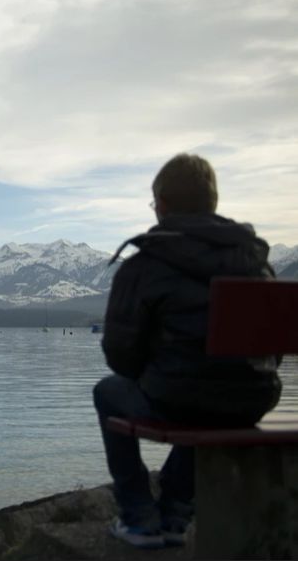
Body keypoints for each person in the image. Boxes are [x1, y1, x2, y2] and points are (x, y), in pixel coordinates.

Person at [93, 153, 281, 549]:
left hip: (178, 400)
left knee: (111, 391)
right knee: (207, 394)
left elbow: (120, 357)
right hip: (253, 401)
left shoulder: (144, 264)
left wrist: (154, 368)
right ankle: (176, 513)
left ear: (161, 204)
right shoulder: (255, 260)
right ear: (212, 201)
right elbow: (272, 353)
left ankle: (139, 518)